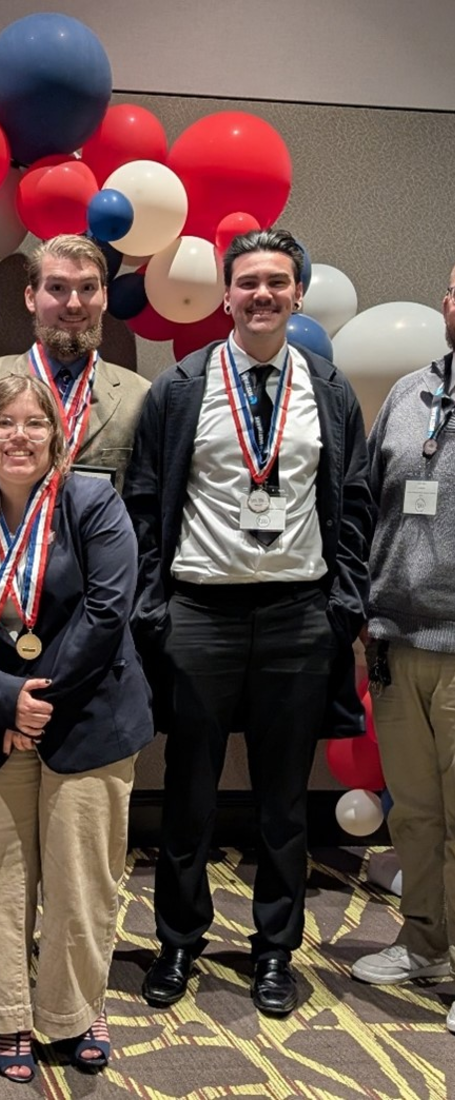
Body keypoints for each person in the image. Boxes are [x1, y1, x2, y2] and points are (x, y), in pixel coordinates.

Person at [124, 228, 372, 1017]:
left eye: (276, 282)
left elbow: (355, 505)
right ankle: (178, 943)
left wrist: (343, 605)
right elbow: (144, 501)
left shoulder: (328, 391)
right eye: (247, 283)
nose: (262, 295)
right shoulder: (181, 388)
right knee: (188, 793)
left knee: (281, 803)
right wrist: (155, 609)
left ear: (299, 293)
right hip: (201, 611)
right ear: (225, 296)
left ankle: (274, 952)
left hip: (299, 615)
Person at [0, 373, 152, 1082]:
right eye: (3, 423)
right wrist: (3, 702)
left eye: (35, 423)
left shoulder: (92, 503)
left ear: (57, 440)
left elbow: (106, 612)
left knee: (79, 879)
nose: (19, 436)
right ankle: (4, 1015)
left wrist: (39, 704)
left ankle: (73, 1010)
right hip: (0, 726)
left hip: (87, 719)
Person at [350, 269, 455, 1030]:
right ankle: (425, 948)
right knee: (415, 813)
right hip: (394, 640)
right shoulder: (410, 392)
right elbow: (371, 504)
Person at [0, 233, 149, 493]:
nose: (74, 304)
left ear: (105, 298)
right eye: (57, 288)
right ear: (30, 298)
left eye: (88, 288)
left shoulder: (139, 396)